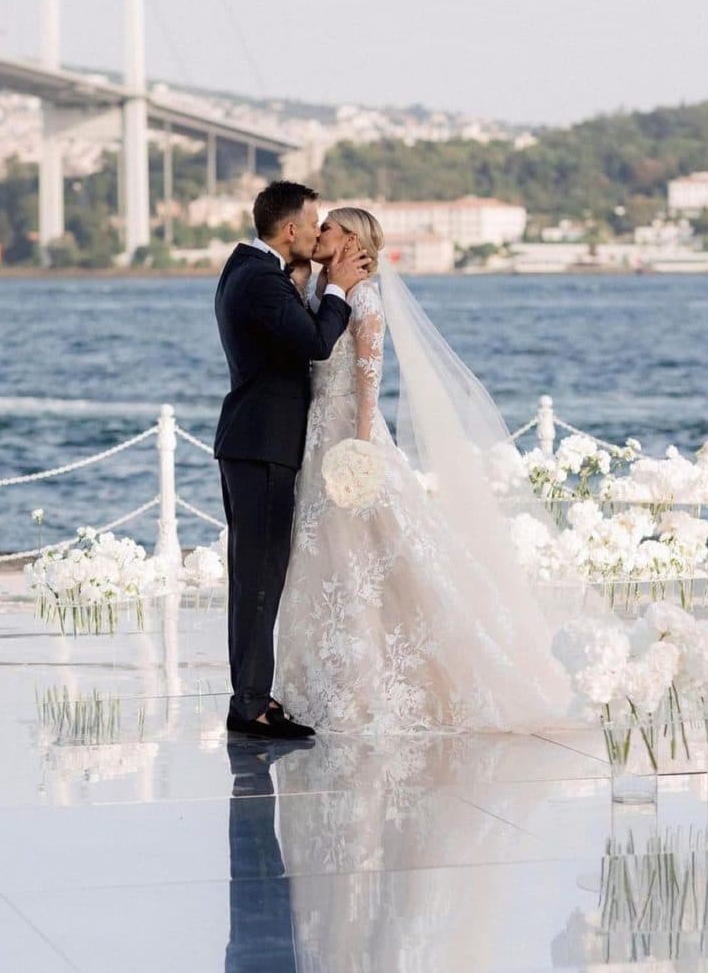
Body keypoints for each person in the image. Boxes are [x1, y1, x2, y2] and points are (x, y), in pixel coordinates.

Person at [275, 207, 578, 734]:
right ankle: (330, 672)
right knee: (329, 550)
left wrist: (361, 447)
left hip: (348, 429)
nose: (317, 232)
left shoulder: (364, 297)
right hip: (315, 430)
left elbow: (369, 375)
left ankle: (396, 671)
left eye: (327, 228)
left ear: (350, 241)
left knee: (375, 547)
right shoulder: (322, 287)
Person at [214, 182, 370, 740]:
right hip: (262, 445)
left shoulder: (249, 268)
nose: (316, 230)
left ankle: (252, 694)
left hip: (252, 441)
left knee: (254, 577)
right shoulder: (261, 279)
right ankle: (250, 706)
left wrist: (304, 285)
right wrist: (340, 289)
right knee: (259, 579)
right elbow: (315, 342)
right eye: (312, 222)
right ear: (289, 231)